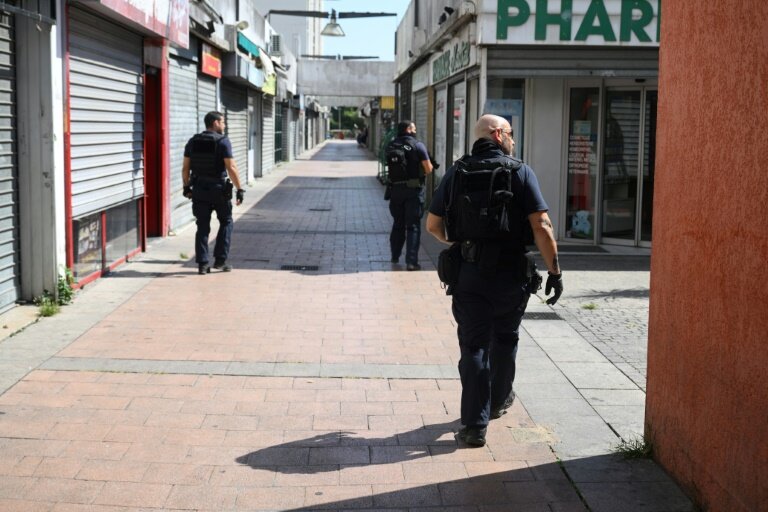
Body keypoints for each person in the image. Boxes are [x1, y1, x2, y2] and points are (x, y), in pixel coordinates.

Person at [426, 114, 563, 447]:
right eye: (511, 134)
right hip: (511, 276)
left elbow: (432, 225)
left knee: (473, 347)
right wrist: (555, 272)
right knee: (505, 338)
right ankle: (500, 400)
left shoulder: (456, 172)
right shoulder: (520, 171)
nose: (513, 140)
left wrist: (458, 245)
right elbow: (542, 226)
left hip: (470, 276)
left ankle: (474, 427)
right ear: (498, 134)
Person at [182, 111, 245, 274]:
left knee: (202, 226)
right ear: (216, 123)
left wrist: (186, 187)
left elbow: (185, 168)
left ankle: (202, 265)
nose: (224, 125)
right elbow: (231, 167)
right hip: (218, 189)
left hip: (199, 189)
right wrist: (239, 189)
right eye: (223, 122)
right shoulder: (223, 141)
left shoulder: (193, 141)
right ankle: (220, 260)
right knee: (226, 221)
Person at [386, 121, 433, 271]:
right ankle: (411, 262)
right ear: (408, 129)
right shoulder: (417, 145)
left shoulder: (391, 145)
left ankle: (394, 255)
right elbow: (428, 168)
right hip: (413, 191)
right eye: (414, 128)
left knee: (397, 224)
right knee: (412, 226)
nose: (415, 130)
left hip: (395, 191)